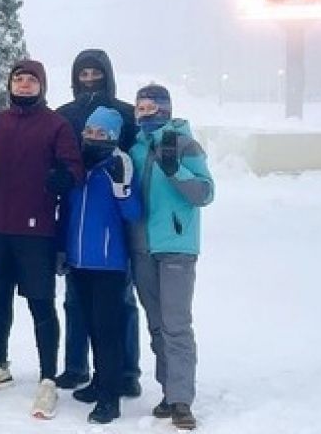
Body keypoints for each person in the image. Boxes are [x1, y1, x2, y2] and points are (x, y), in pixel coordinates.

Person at [0, 60, 83, 421]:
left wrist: (64, 177)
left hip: (36, 231)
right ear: (10, 84)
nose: (25, 84)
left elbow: (74, 168)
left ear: (42, 85)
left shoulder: (56, 125)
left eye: (31, 79)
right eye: (18, 78)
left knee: (40, 304)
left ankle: (48, 377)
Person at [54, 49, 143, 397]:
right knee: (76, 301)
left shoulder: (124, 114)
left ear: (107, 74)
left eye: (96, 73)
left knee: (121, 303)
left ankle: (125, 373)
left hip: (113, 221)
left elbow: (131, 165)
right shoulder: (66, 115)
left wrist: (124, 187)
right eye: (83, 74)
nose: (89, 79)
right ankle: (77, 366)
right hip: (77, 215)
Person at [128, 85, 214, 431]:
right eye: (141, 107)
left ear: (165, 109)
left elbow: (204, 193)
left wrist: (174, 168)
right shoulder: (134, 146)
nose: (145, 113)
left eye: (152, 107)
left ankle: (181, 401)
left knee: (176, 324)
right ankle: (168, 390)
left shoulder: (184, 144)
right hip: (141, 246)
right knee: (156, 324)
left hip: (176, 245)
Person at [63, 107, 142, 424]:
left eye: (102, 134)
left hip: (108, 263)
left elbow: (133, 213)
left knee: (107, 329)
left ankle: (110, 397)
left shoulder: (118, 163)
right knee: (91, 325)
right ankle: (99, 380)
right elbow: (68, 212)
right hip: (79, 261)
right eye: (90, 132)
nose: (94, 138)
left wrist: (122, 189)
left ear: (113, 137)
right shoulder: (79, 165)